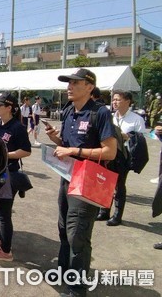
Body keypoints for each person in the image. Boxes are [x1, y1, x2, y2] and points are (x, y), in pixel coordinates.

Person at [44, 68, 117, 297]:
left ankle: (77, 288)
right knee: (64, 228)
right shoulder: (68, 111)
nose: (69, 87)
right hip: (67, 178)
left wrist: (74, 150)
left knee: (78, 235)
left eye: (75, 83)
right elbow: (66, 143)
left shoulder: (100, 113)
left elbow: (110, 152)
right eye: (68, 83)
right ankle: (64, 270)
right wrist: (55, 138)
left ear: (89, 86)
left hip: (88, 182)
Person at [0, 92, 32, 262]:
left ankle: (6, 250)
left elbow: (26, 151)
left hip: (7, 175)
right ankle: (3, 241)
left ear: (9, 108)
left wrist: (5, 155)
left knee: (3, 213)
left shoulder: (17, 127)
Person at [96, 90, 146, 226]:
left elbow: (141, 141)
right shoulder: (110, 117)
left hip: (124, 156)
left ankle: (117, 216)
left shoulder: (137, 119)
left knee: (119, 186)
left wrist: (127, 136)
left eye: (117, 99)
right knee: (105, 183)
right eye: (113, 100)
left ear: (128, 101)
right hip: (109, 154)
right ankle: (104, 210)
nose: (114, 102)